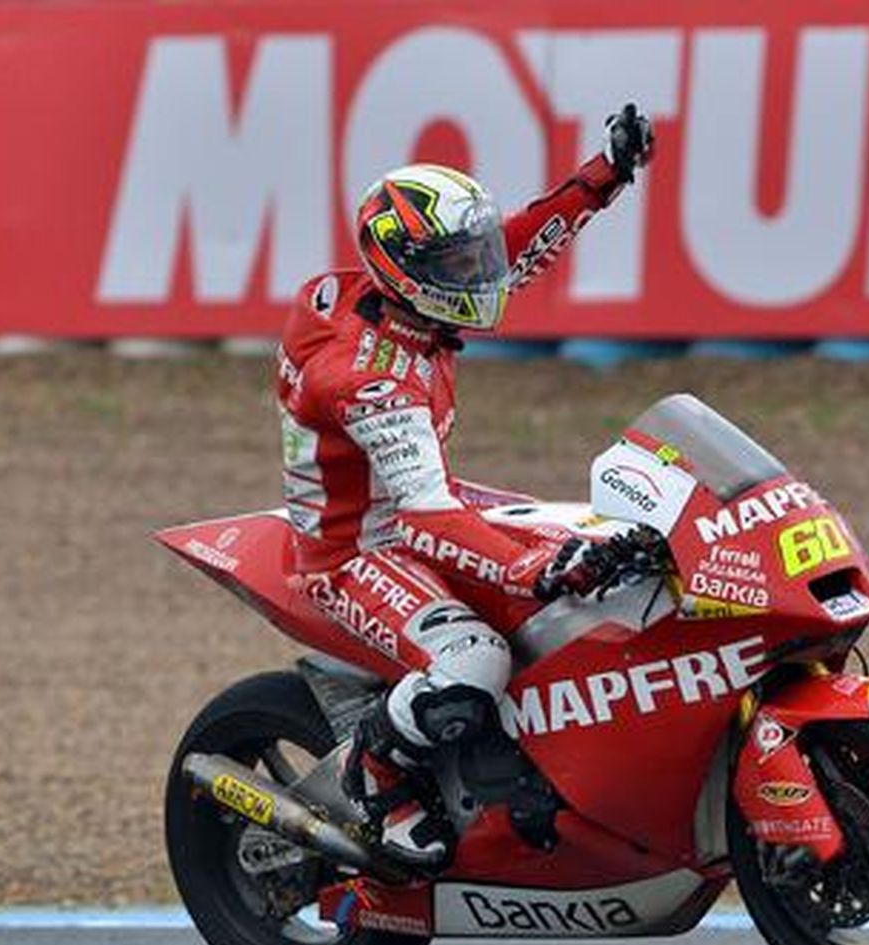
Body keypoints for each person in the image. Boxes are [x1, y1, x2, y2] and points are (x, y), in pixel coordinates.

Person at [274, 104, 655, 864]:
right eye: (459, 264)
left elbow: (515, 243)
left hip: (424, 502)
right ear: (408, 271)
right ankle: (379, 778)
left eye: (469, 257)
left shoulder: (411, 303)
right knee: (477, 656)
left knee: (600, 553)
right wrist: (531, 567)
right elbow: (425, 516)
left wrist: (604, 176)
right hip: (357, 550)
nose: (482, 272)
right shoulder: (369, 379)